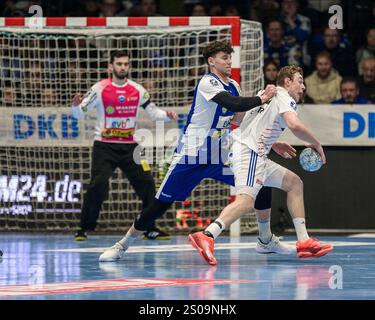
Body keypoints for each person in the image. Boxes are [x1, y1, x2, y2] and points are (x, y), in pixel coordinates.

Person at [99, 40, 297, 262]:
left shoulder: (234, 84)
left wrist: (271, 141)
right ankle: (122, 245)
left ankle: (265, 240)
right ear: (211, 61)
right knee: (158, 206)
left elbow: (238, 121)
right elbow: (232, 103)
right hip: (193, 155)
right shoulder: (207, 82)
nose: (229, 61)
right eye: (224, 57)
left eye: (230, 57)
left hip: (221, 155)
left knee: (261, 183)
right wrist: (262, 97)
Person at [189, 65, 333, 265]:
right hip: (249, 152)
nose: (303, 87)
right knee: (246, 201)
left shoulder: (264, 94)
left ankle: (302, 241)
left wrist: (274, 143)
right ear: (287, 82)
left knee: (294, 183)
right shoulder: (285, 97)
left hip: (252, 150)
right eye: (300, 81)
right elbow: (294, 125)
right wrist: (316, 143)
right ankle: (207, 235)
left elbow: (241, 121)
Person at [71, 50, 178, 241]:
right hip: (104, 146)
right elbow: (79, 114)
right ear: (111, 66)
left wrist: (167, 115)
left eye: (125, 64)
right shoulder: (99, 89)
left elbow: (153, 113)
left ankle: (149, 228)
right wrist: (75, 106)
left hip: (130, 147)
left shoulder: (138, 90)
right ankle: (84, 228)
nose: (123, 67)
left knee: (148, 185)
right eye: (119, 64)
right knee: (98, 184)